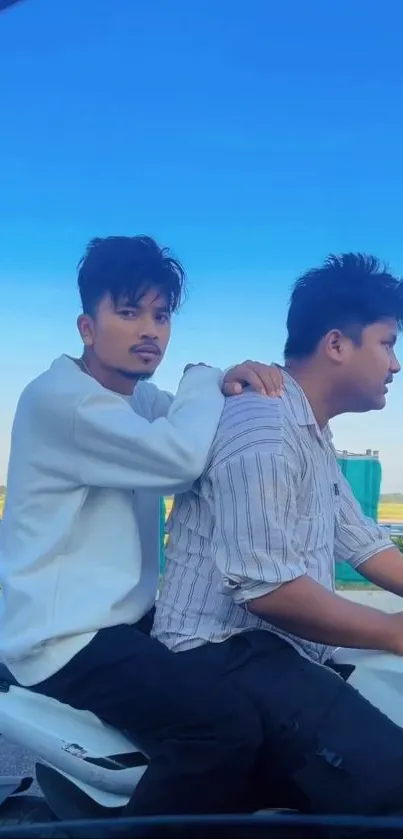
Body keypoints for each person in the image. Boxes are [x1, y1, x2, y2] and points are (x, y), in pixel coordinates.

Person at [0, 235, 283, 816]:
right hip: (65, 636)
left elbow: (200, 429)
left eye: (160, 315)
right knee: (223, 730)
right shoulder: (64, 399)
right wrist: (208, 373)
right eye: (127, 313)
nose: (149, 330)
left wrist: (248, 390)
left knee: (256, 679)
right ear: (87, 326)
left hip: (121, 622)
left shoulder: (136, 400)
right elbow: (180, 459)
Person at [154, 252, 403, 819]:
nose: (395, 364)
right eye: (387, 343)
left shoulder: (310, 433)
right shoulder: (264, 426)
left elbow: (363, 542)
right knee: (391, 783)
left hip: (277, 651)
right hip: (218, 654)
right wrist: (391, 630)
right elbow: (270, 589)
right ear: (337, 345)